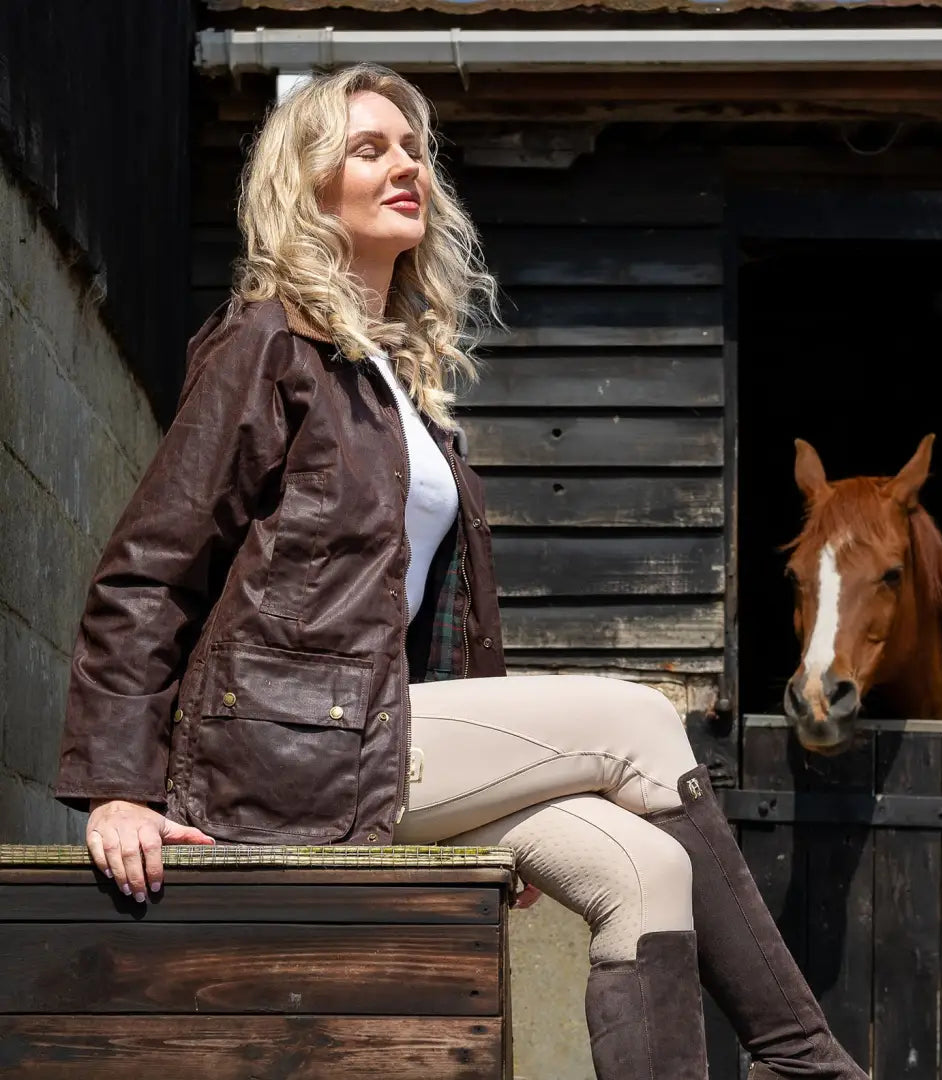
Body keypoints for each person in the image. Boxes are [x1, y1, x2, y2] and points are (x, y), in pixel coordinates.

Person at [53, 63, 868, 1080]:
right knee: (641, 722)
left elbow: (425, 632)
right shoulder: (265, 344)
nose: (406, 166)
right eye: (369, 148)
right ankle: (806, 1061)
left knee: (647, 871)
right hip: (276, 755)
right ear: (307, 189)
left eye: (412, 148)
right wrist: (115, 789)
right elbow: (149, 570)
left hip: (373, 743)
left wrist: (489, 797)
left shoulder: (403, 391)